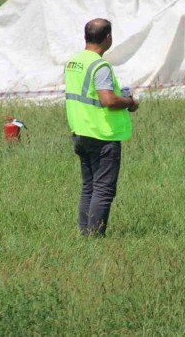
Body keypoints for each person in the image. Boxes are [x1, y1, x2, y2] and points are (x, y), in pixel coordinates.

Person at [64, 18, 139, 236]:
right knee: (103, 189)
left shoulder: (74, 62)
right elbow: (108, 100)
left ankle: (85, 234)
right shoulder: (100, 65)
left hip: (80, 131)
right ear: (108, 37)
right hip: (101, 134)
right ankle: (95, 237)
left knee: (89, 187)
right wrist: (129, 102)